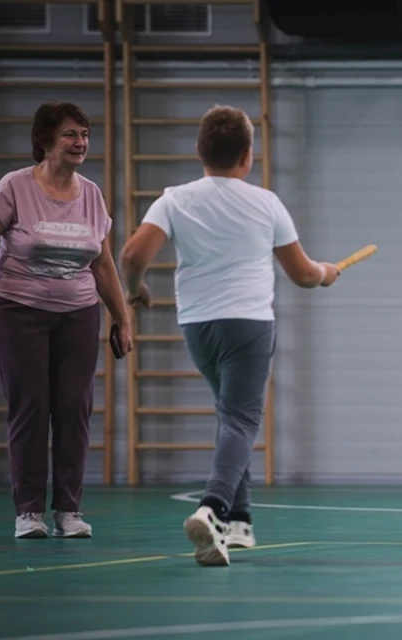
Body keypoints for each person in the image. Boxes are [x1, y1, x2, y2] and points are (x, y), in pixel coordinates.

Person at [119, 104, 340, 566]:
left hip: (198, 325)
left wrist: (135, 289)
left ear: (201, 151)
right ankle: (214, 508)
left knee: (228, 416)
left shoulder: (173, 199)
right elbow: (301, 274)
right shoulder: (265, 203)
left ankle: (239, 524)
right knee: (241, 420)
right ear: (247, 156)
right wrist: (325, 273)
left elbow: (133, 254)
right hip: (249, 324)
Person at [0, 101, 133, 539]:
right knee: (31, 407)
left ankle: (69, 512)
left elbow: (103, 264)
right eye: (70, 135)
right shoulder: (15, 187)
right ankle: (29, 511)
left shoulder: (91, 194)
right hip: (18, 311)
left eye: (85, 134)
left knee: (74, 408)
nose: (80, 143)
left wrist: (122, 318)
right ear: (45, 141)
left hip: (77, 314)